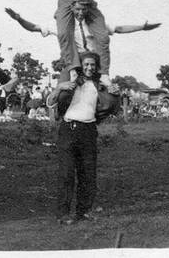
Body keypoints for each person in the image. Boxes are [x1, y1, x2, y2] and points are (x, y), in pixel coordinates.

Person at [46, 52, 120, 225]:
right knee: (66, 173)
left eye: (92, 65)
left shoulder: (99, 84)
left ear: (96, 67)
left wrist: (116, 92)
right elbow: (50, 102)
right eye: (86, 64)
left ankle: (84, 211)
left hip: (88, 130)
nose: (89, 68)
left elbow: (112, 105)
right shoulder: (70, 82)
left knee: (88, 173)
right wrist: (59, 88)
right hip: (68, 130)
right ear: (80, 65)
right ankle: (63, 214)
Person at [5, 2, 160, 82]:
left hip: (92, 61)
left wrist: (141, 27)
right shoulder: (62, 25)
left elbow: (118, 29)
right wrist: (18, 19)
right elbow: (33, 27)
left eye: (83, 9)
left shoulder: (94, 24)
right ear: (71, 8)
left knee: (105, 91)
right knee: (63, 88)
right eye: (77, 9)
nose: (80, 13)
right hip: (73, 61)